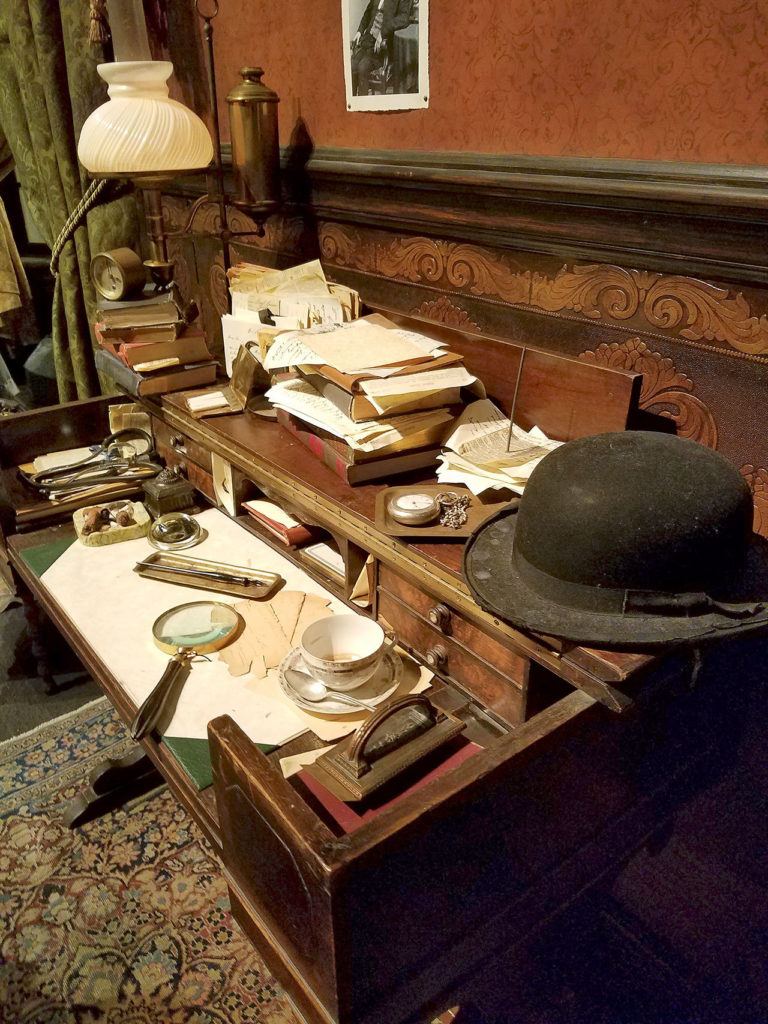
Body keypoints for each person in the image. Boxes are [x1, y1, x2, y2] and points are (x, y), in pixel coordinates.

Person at [351, 0, 415, 96]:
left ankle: (362, 105)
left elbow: (404, 18)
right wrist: (359, 31)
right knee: (351, 67)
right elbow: (368, 12)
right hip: (367, 41)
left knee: (362, 68)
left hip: (383, 47)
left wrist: (383, 31)